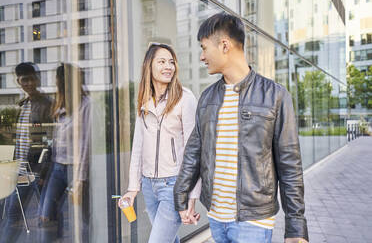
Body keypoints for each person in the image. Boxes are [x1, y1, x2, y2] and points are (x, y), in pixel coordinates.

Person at [174, 12, 309, 243]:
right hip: (215, 217)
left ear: (224, 45)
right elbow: (193, 152)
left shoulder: (275, 96)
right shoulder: (207, 98)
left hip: (253, 222)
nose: (202, 56)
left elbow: (290, 166)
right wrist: (181, 197)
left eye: (204, 48)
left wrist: (296, 228)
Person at [119, 42, 201, 243]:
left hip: (174, 185)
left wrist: (192, 195)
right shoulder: (145, 100)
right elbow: (138, 146)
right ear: (150, 66)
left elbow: (195, 150)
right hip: (149, 186)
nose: (168, 67)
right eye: (162, 61)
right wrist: (133, 187)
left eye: (171, 62)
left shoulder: (185, 98)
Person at [0, 62, 53, 243]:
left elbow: (49, 140)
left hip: (35, 171)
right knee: (16, 216)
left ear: (37, 79)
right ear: (18, 81)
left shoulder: (45, 104)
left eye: (32, 79)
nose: (29, 83)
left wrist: (43, 172)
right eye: (25, 80)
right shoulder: (22, 105)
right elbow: (20, 139)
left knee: (16, 216)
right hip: (21, 170)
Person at [38, 63, 91, 242]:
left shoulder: (86, 105)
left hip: (75, 168)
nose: (58, 84)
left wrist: (80, 178)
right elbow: (55, 141)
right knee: (46, 215)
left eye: (59, 80)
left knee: (81, 219)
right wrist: (46, 170)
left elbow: (85, 145)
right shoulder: (60, 105)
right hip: (57, 168)